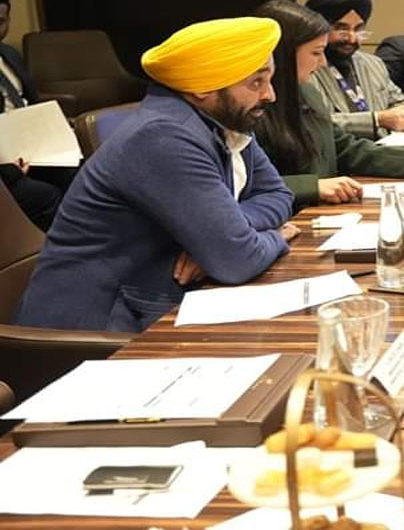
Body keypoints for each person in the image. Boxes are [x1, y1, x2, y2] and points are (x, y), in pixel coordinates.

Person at [14, 17, 299, 332]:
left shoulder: (226, 120)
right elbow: (238, 260)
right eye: (256, 82)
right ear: (202, 87)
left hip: (154, 303)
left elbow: (277, 194)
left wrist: (224, 234)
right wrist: (271, 236)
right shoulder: (163, 136)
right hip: (97, 328)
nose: (270, 95)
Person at [253, 0, 404, 208]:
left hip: (323, 213)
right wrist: (312, 187)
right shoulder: (249, 106)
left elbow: (345, 149)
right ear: (284, 53)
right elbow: (242, 185)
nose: (322, 62)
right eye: (316, 52)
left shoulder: (307, 93)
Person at [304, 0, 404, 139]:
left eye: (358, 29)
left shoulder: (372, 64)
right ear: (318, 30)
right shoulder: (304, 68)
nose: (352, 38)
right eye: (342, 29)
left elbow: (401, 105)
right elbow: (314, 122)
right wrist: (376, 119)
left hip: (381, 147)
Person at [0, 0, 77, 230]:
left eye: (1, 21)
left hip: (31, 145)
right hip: (4, 160)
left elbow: (31, 101)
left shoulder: (9, 54)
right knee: (43, 195)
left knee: (77, 173)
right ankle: (59, 249)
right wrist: (10, 168)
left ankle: (94, 240)